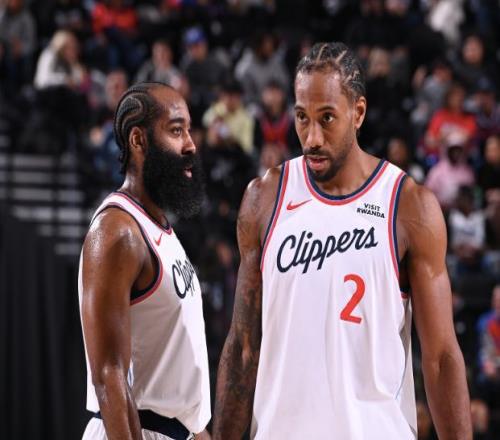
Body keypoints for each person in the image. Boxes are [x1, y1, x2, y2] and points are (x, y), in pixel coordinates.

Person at [213, 42, 471, 439]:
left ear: (358, 113)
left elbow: (440, 358)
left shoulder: (408, 206)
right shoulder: (264, 199)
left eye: (327, 118)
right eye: (302, 118)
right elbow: (244, 347)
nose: (312, 137)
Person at [79, 82, 211, 440]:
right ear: (138, 140)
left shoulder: (159, 228)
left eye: (189, 130)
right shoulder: (117, 231)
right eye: (176, 131)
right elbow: (108, 374)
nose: (190, 144)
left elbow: (179, 381)